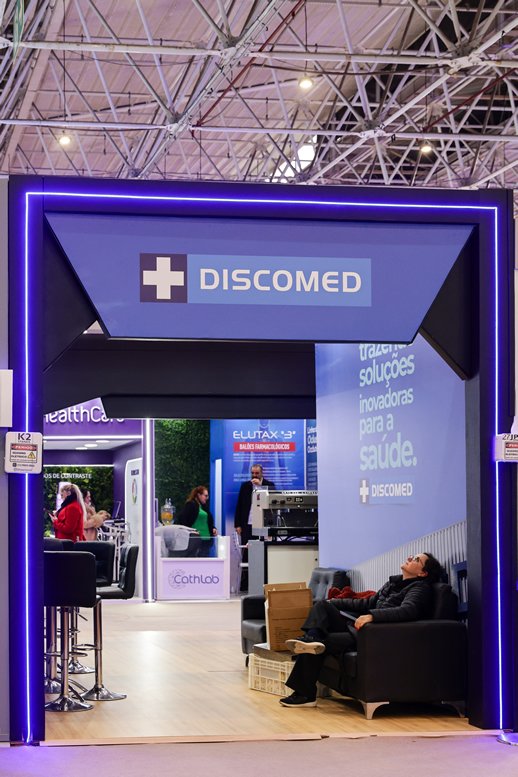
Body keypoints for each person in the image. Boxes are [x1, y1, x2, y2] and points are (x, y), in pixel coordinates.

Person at [279, 552, 444, 708]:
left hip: (375, 636)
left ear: (423, 573)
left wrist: (372, 616)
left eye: (416, 560)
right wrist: (334, 602)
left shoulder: (420, 588)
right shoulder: (393, 583)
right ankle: (310, 639)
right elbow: (367, 603)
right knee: (322, 606)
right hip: (361, 630)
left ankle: (305, 694)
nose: (410, 558)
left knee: (319, 642)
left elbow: (408, 611)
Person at [234, 464, 275, 546]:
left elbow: (272, 502)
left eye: (257, 473)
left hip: (263, 524)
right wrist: (237, 525)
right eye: (252, 473)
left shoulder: (269, 485)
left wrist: (261, 486)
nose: (254, 475)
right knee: (247, 548)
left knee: (262, 548)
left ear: (262, 473)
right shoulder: (245, 486)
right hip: (248, 523)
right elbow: (239, 505)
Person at [176, 486, 217, 555]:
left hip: (206, 540)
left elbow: (208, 521)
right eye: (205, 496)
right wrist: (190, 531)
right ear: (199, 495)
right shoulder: (191, 505)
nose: (207, 498)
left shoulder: (204, 507)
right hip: (196, 540)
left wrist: (213, 528)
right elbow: (183, 519)